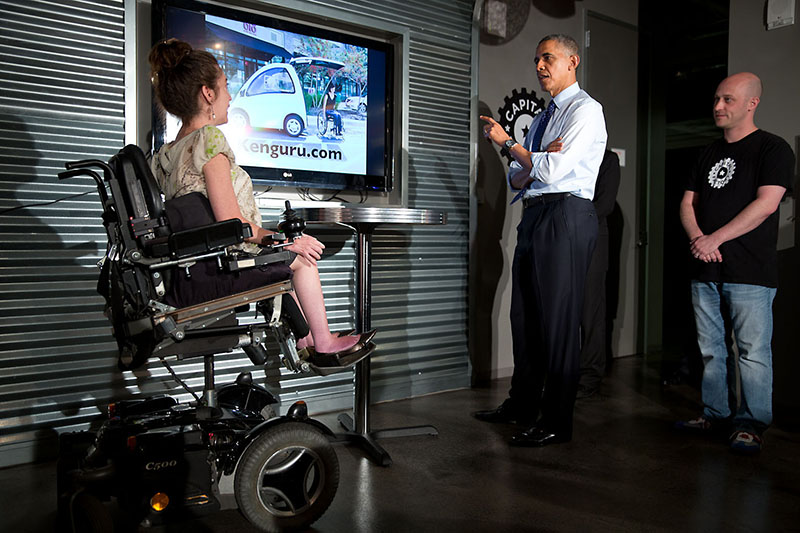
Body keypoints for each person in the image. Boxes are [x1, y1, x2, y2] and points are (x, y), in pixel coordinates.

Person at [148, 38, 374, 361]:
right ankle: (321, 342)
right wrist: (281, 241)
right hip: (220, 262)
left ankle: (307, 338)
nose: (230, 97)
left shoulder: (166, 153)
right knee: (302, 257)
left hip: (191, 266)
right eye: (225, 87)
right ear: (207, 93)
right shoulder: (209, 139)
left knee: (286, 250)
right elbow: (233, 224)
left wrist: (276, 242)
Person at [476, 34, 607, 446]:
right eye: (536, 60)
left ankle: (556, 420)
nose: (539, 66)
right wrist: (531, 157)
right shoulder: (544, 118)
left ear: (573, 61)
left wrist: (510, 144)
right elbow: (521, 176)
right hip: (535, 215)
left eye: (548, 58)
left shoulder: (586, 111)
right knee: (525, 317)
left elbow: (549, 171)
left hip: (566, 213)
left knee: (559, 322)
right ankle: (522, 403)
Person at [677, 72, 793, 454]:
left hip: (750, 271)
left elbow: (767, 203)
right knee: (711, 348)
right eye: (716, 99)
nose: (718, 107)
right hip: (705, 267)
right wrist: (699, 240)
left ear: (751, 103)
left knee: (752, 351)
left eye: (727, 100)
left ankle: (751, 423)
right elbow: (687, 203)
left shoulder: (772, 149)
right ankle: (716, 412)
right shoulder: (706, 152)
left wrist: (715, 238)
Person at [577, 150, 621, 399]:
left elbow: (604, 204)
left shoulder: (608, 159)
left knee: (590, 314)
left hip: (592, 243)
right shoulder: (568, 153)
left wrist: (571, 221)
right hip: (565, 240)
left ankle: (589, 378)